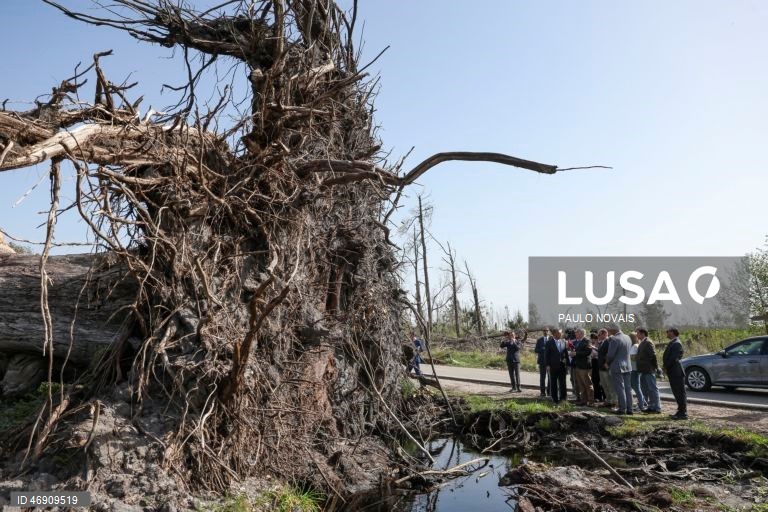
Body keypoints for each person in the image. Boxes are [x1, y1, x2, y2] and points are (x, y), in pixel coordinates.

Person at [606, 323, 633, 415]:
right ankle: (630, 409)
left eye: (609, 329)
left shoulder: (615, 339)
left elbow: (610, 355)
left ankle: (622, 408)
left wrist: (607, 363)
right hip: (627, 365)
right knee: (628, 388)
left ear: (613, 330)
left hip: (617, 366)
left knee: (620, 388)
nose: (608, 331)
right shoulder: (627, 337)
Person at [663, 327, 688, 420]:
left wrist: (666, 367)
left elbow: (673, 358)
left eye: (668, 331)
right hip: (672, 371)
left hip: (676, 372)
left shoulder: (677, 343)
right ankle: (680, 411)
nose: (666, 333)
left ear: (673, 332)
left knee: (680, 393)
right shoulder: (673, 342)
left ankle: (683, 413)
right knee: (676, 392)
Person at [635, 327, 661, 414]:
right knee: (645, 389)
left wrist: (655, 368)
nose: (636, 334)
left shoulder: (648, 342)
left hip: (649, 369)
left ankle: (656, 407)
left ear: (642, 333)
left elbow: (653, 356)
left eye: (637, 333)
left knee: (652, 388)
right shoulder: (642, 342)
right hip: (643, 370)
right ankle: (650, 406)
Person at [545, 328, 568, 404]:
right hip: (553, 366)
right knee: (553, 383)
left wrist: (566, 361)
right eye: (559, 333)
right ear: (555, 334)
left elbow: (565, 353)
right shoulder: (549, 343)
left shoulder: (563, 342)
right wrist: (547, 365)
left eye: (561, 333)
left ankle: (563, 399)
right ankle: (554, 399)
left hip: (562, 366)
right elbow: (547, 355)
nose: (561, 334)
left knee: (563, 383)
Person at [572, 328, 594, 406]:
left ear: (581, 333)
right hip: (578, 366)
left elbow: (588, 352)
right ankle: (584, 400)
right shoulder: (579, 342)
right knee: (581, 385)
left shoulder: (587, 341)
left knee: (588, 384)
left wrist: (576, 353)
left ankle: (591, 401)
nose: (575, 334)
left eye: (576, 333)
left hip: (585, 367)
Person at [596, 329, 616, 407]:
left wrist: (606, 363)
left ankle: (613, 401)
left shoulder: (608, 342)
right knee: (604, 385)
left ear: (604, 334)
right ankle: (608, 400)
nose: (598, 337)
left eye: (599, 335)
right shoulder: (602, 342)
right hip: (601, 367)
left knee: (609, 385)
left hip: (606, 367)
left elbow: (609, 354)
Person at [629, 332, 647, 411]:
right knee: (635, 386)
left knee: (636, 387)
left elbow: (634, 357)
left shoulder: (635, 346)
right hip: (632, 368)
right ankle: (643, 402)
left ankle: (642, 404)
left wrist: (627, 357)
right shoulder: (633, 346)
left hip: (634, 369)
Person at [534, 328, 550, 397]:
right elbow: (536, 350)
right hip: (542, 362)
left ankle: (549, 392)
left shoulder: (551, 339)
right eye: (544, 331)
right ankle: (542, 392)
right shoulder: (539, 340)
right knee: (542, 378)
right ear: (542, 331)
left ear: (548, 331)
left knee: (550, 378)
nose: (545, 332)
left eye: (547, 331)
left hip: (550, 362)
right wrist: (542, 349)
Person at [590, 332, 604, 402]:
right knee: (594, 380)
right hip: (593, 362)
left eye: (594, 339)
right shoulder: (591, 344)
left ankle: (602, 396)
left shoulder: (599, 344)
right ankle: (596, 396)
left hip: (598, 362)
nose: (593, 340)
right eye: (592, 339)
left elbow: (600, 352)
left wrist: (594, 348)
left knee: (599, 380)